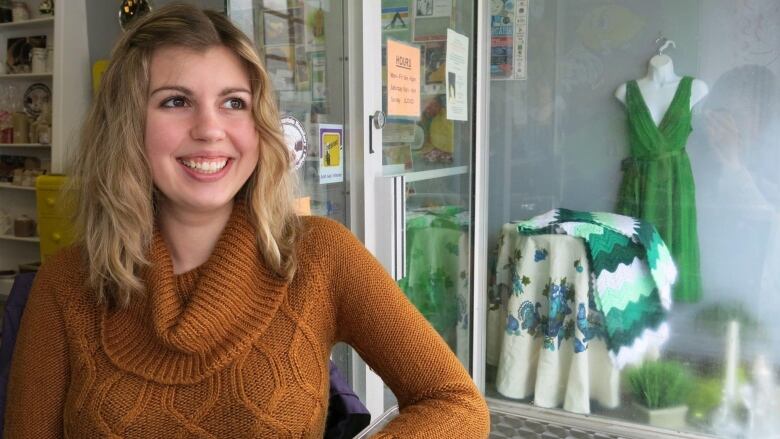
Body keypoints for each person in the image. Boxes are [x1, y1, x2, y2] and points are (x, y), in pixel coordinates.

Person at [3, 4, 490, 438]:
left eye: (234, 102)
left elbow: (455, 403)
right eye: (175, 100)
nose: (210, 129)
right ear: (127, 124)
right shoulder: (66, 284)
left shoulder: (320, 255)